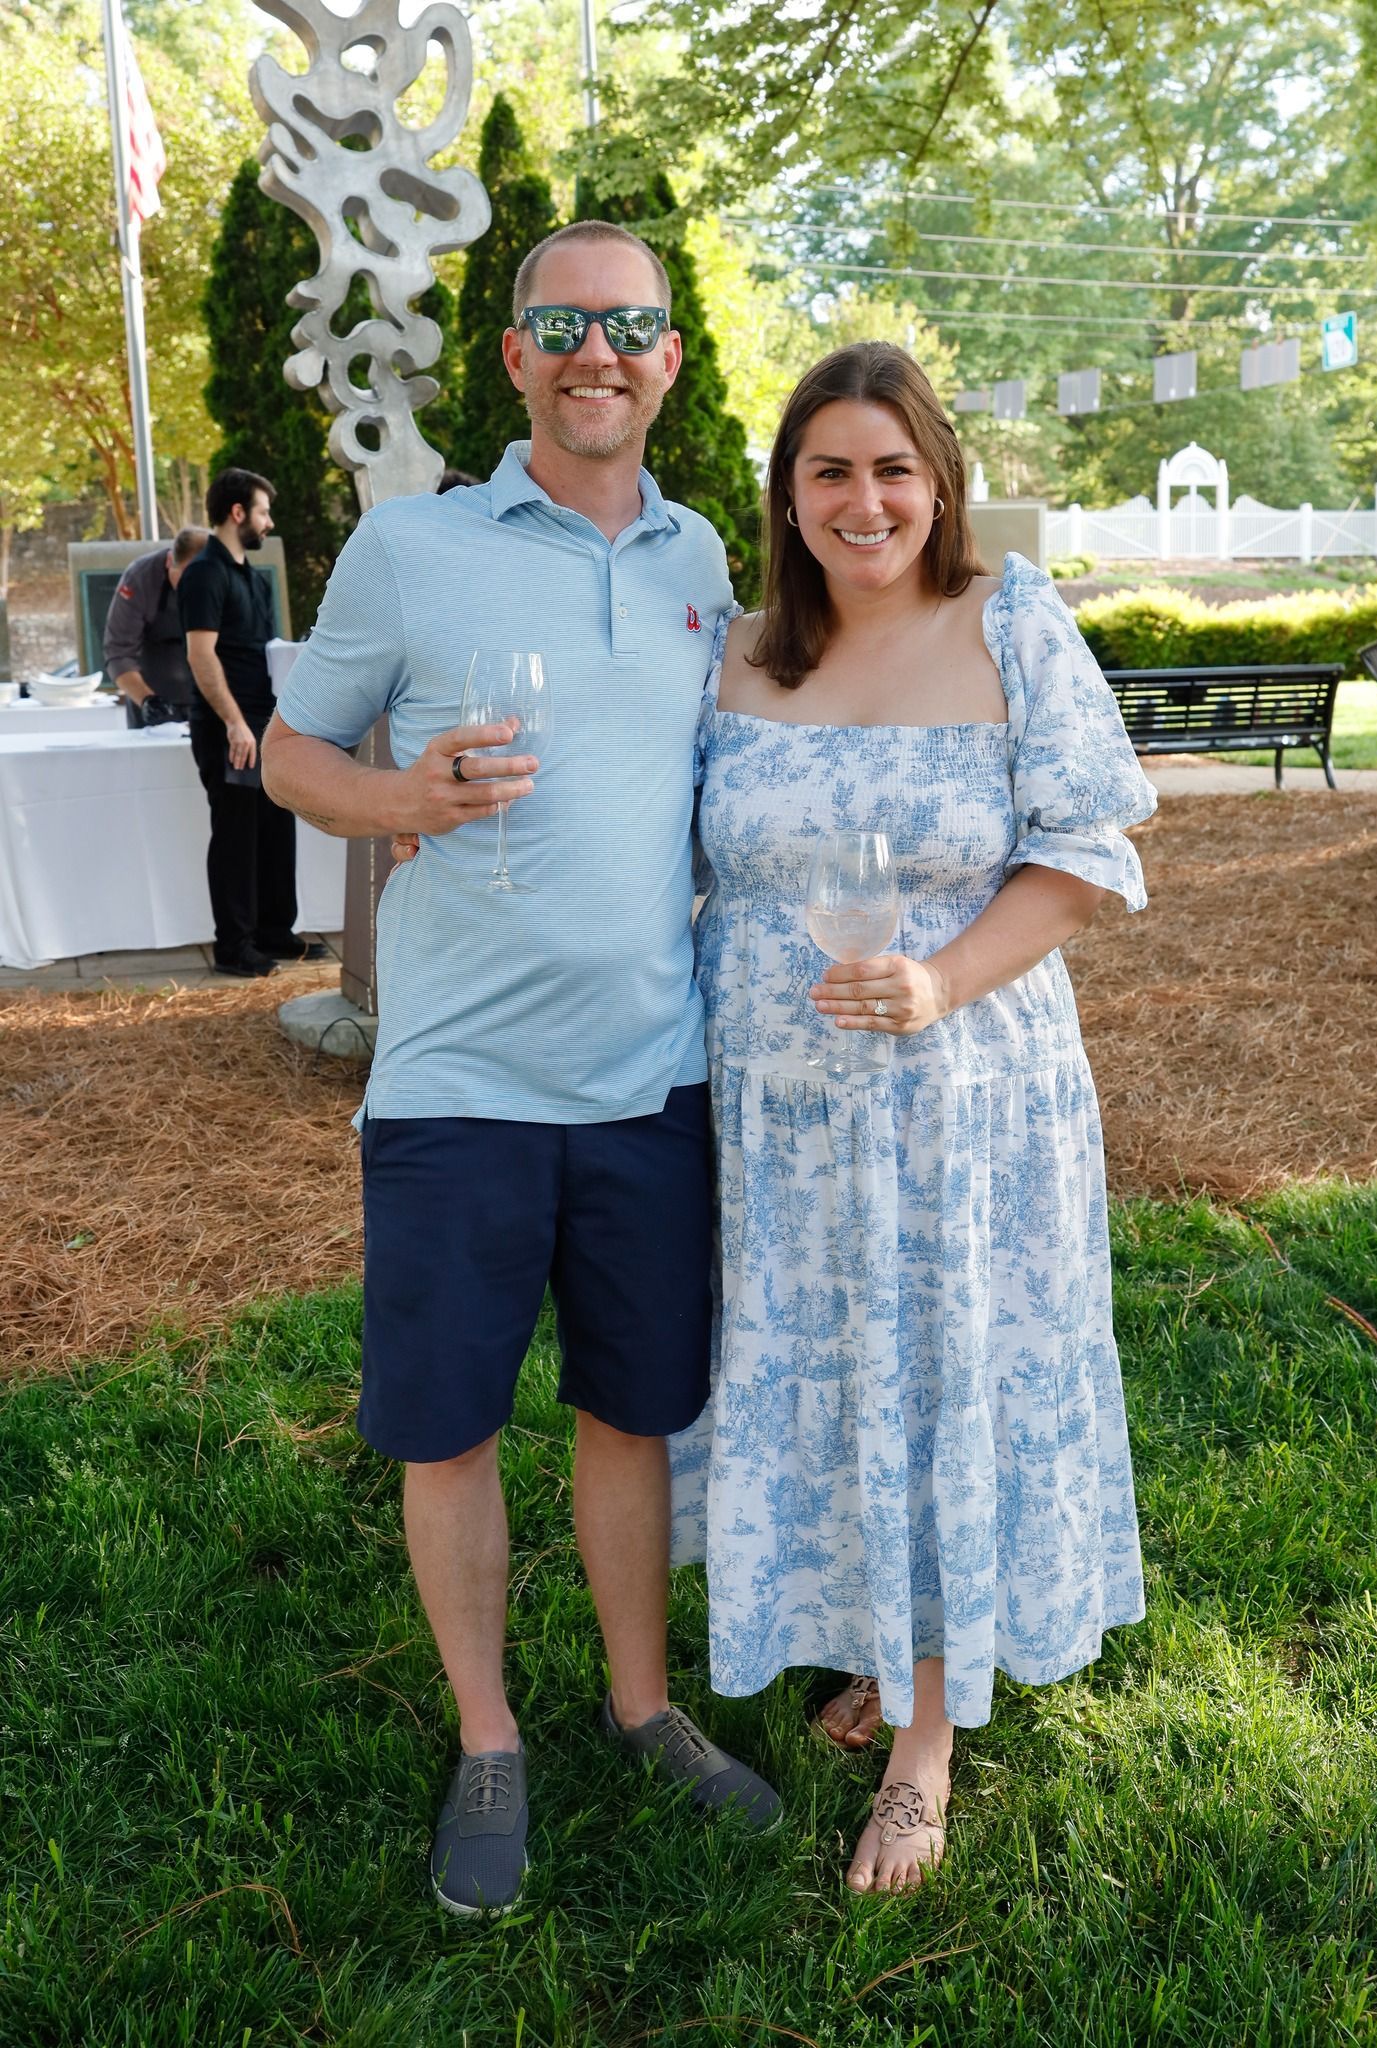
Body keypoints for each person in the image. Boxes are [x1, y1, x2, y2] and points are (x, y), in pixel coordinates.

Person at [260, 221, 780, 1919]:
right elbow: (288, 749)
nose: (595, 352)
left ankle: (638, 1704)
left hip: (651, 1079)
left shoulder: (705, 552)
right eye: (561, 322)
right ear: (512, 356)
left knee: (631, 1409)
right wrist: (400, 804)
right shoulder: (410, 547)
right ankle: (489, 1733)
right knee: (449, 1425)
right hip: (454, 1088)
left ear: (668, 360)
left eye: (627, 326)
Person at [667, 342, 1157, 1894]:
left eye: (891, 468)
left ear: (935, 482)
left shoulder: (1004, 622)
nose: (863, 499)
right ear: (788, 496)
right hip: (774, 1116)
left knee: (938, 1382)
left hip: (961, 1104)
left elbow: (1085, 854)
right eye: (829, 471)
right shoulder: (742, 653)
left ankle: (924, 1744)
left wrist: (939, 982)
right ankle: (885, 1639)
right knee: (824, 1376)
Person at [179, 468, 325, 976]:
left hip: (263, 722)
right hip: (229, 727)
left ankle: (272, 931)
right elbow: (202, 656)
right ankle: (233, 946)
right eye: (263, 511)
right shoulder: (204, 574)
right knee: (237, 833)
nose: (269, 521)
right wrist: (236, 725)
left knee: (274, 823)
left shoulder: (249, 576)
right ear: (237, 513)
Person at [103, 526, 209, 726]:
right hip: (150, 696)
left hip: (209, 701)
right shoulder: (139, 578)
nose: (192, 587)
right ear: (170, 561)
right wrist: (147, 701)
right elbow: (118, 651)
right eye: (185, 577)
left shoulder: (226, 579)